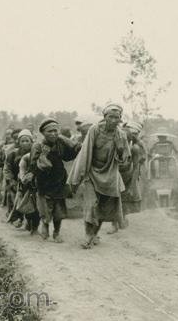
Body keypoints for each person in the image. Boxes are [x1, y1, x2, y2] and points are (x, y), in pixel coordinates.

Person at [68, 104, 131, 249]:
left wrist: (120, 149)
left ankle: (94, 233)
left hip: (110, 174)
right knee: (91, 205)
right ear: (105, 117)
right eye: (111, 117)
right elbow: (85, 152)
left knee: (103, 207)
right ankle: (88, 235)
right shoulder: (94, 130)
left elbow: (125, 160)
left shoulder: (121, 135)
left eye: (117, 117)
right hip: (92, 172)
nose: (114, 120)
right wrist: (80, 175)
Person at [31, 118, 81, 243]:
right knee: (45, 209)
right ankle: (45, 227)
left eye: (55, 131)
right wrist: (43, 157)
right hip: (44, 182)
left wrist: (77, 148)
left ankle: (57, 232)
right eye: (50, 131)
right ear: (43, 133)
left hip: (59, 180)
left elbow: (69, 156)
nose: (53, 134)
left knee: (59, 209)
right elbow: (33, 166)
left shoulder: (60, 142)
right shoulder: (38, 146)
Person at [120, 121, 145, 221]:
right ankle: (117, 220)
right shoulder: (118, 144)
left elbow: (136, 166)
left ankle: (123, 217)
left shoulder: (136, 147)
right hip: (119, 173)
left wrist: (132, 184)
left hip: (130, 173)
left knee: (127, 195)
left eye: (135, 134)